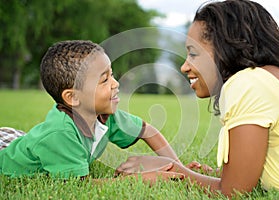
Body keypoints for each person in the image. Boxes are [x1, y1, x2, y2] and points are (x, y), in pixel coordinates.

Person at [115, 0, 279, 197]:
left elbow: (234, 192)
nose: (184, 67)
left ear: (227, 47)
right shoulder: (272, 76)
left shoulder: (247, 83)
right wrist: (213, 174)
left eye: (193, 54)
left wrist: (171, 169)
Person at [0, 40, 182, 180]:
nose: (115, 83)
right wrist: (142, 179)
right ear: (73, 98)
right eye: (104, 80)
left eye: (112, 75)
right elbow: (78, 184)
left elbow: (147, 131)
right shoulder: (61, 134)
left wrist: (179, 166)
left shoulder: (104, 114)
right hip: (5, 154)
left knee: (29, 142)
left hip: (21, 139)